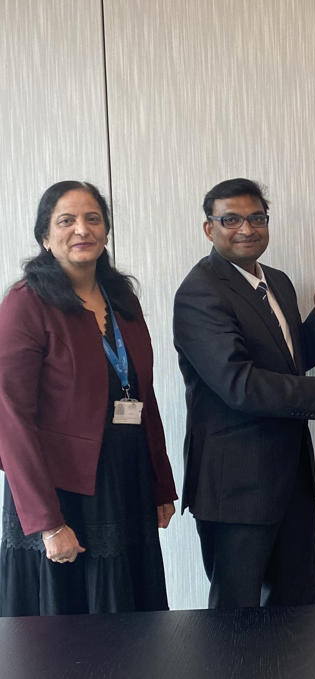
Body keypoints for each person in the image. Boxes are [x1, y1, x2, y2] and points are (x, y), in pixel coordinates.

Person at [173, 178, 315, 609]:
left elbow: (288, 360)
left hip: (290, 477)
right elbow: (237, 384)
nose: (246, 229)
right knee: (236, 621)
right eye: (231, 219)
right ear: (210, 229)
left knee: (298, 611)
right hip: (235, 487)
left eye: (256, 218)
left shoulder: (275, 281)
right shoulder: (200, 292)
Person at [0, 181, 177, 616]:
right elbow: (10, 418)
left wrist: (160, 484)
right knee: (73, 625)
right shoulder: (27, 304)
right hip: (64, 491)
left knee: (132, 619)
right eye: (67, 220)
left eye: (93, 218)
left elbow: (143, 396)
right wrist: (47, 523)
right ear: (45, 236)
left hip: (126, 479)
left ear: (106, 231)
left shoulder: (122, 300)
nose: (82, 229)